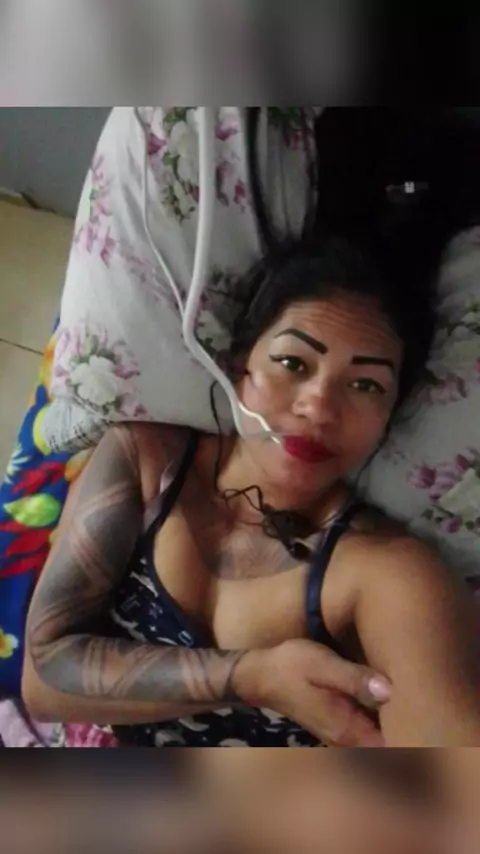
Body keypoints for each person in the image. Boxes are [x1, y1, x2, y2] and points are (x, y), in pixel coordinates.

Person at [21, 108, 480, 746]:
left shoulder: (388, 576)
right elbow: (43, 680)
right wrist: (253, 676)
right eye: (293, 363)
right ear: (239, 367)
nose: (319, 407)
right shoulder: (146, 458)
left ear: (391, 415)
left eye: (365, 384)